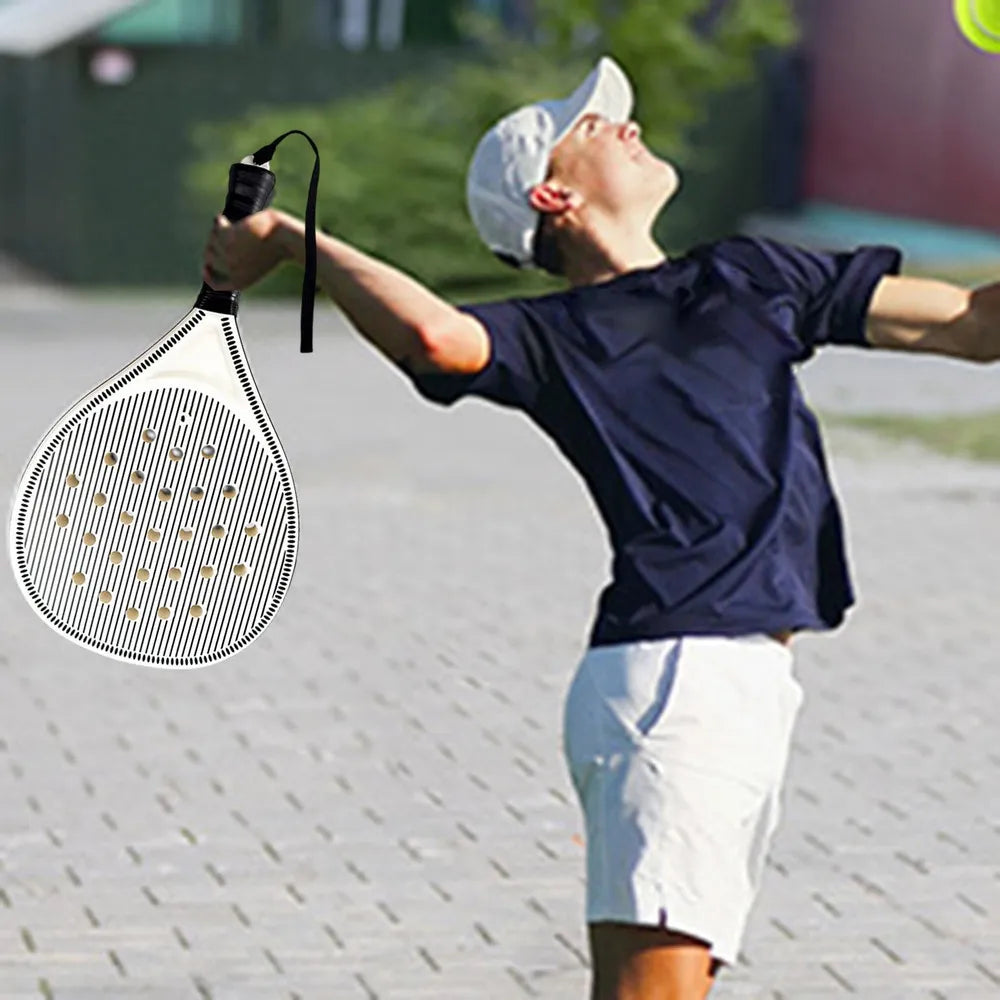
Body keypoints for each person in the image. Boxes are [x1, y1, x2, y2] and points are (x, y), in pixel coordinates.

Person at [202, 55, 998, 1000]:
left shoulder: (751, 273)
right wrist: (296, 240)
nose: (625, 123)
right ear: (553, 195)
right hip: (673, 678)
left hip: (746, 681)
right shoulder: (559, 334)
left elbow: (976, 327)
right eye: (590, 126)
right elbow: (438, 338)